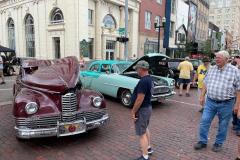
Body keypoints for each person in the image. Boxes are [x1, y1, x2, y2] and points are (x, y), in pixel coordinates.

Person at [194, 50, 240, 153]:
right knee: (204, 121)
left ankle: (218, 143)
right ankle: (202, 141)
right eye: (216, 57)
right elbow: (206, 83)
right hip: (210, 101)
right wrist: (202, 96)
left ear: (226, 59)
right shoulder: (212, 69)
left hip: (227, 103)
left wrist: (237, 105)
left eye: (219, 58)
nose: (216, 59)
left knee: (223, 124)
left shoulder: (234, 71)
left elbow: (238, 89)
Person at [131, 60, 153, 160]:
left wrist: (133, 111)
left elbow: (140, 99)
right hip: (148, 107)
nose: (136, 71)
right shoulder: (149, 79)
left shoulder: (143, 81)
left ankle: (145, 156)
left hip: (143, 109)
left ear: (141, 69)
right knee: (145, 128)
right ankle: (148, 148)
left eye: (137, 69)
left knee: (141, 133)